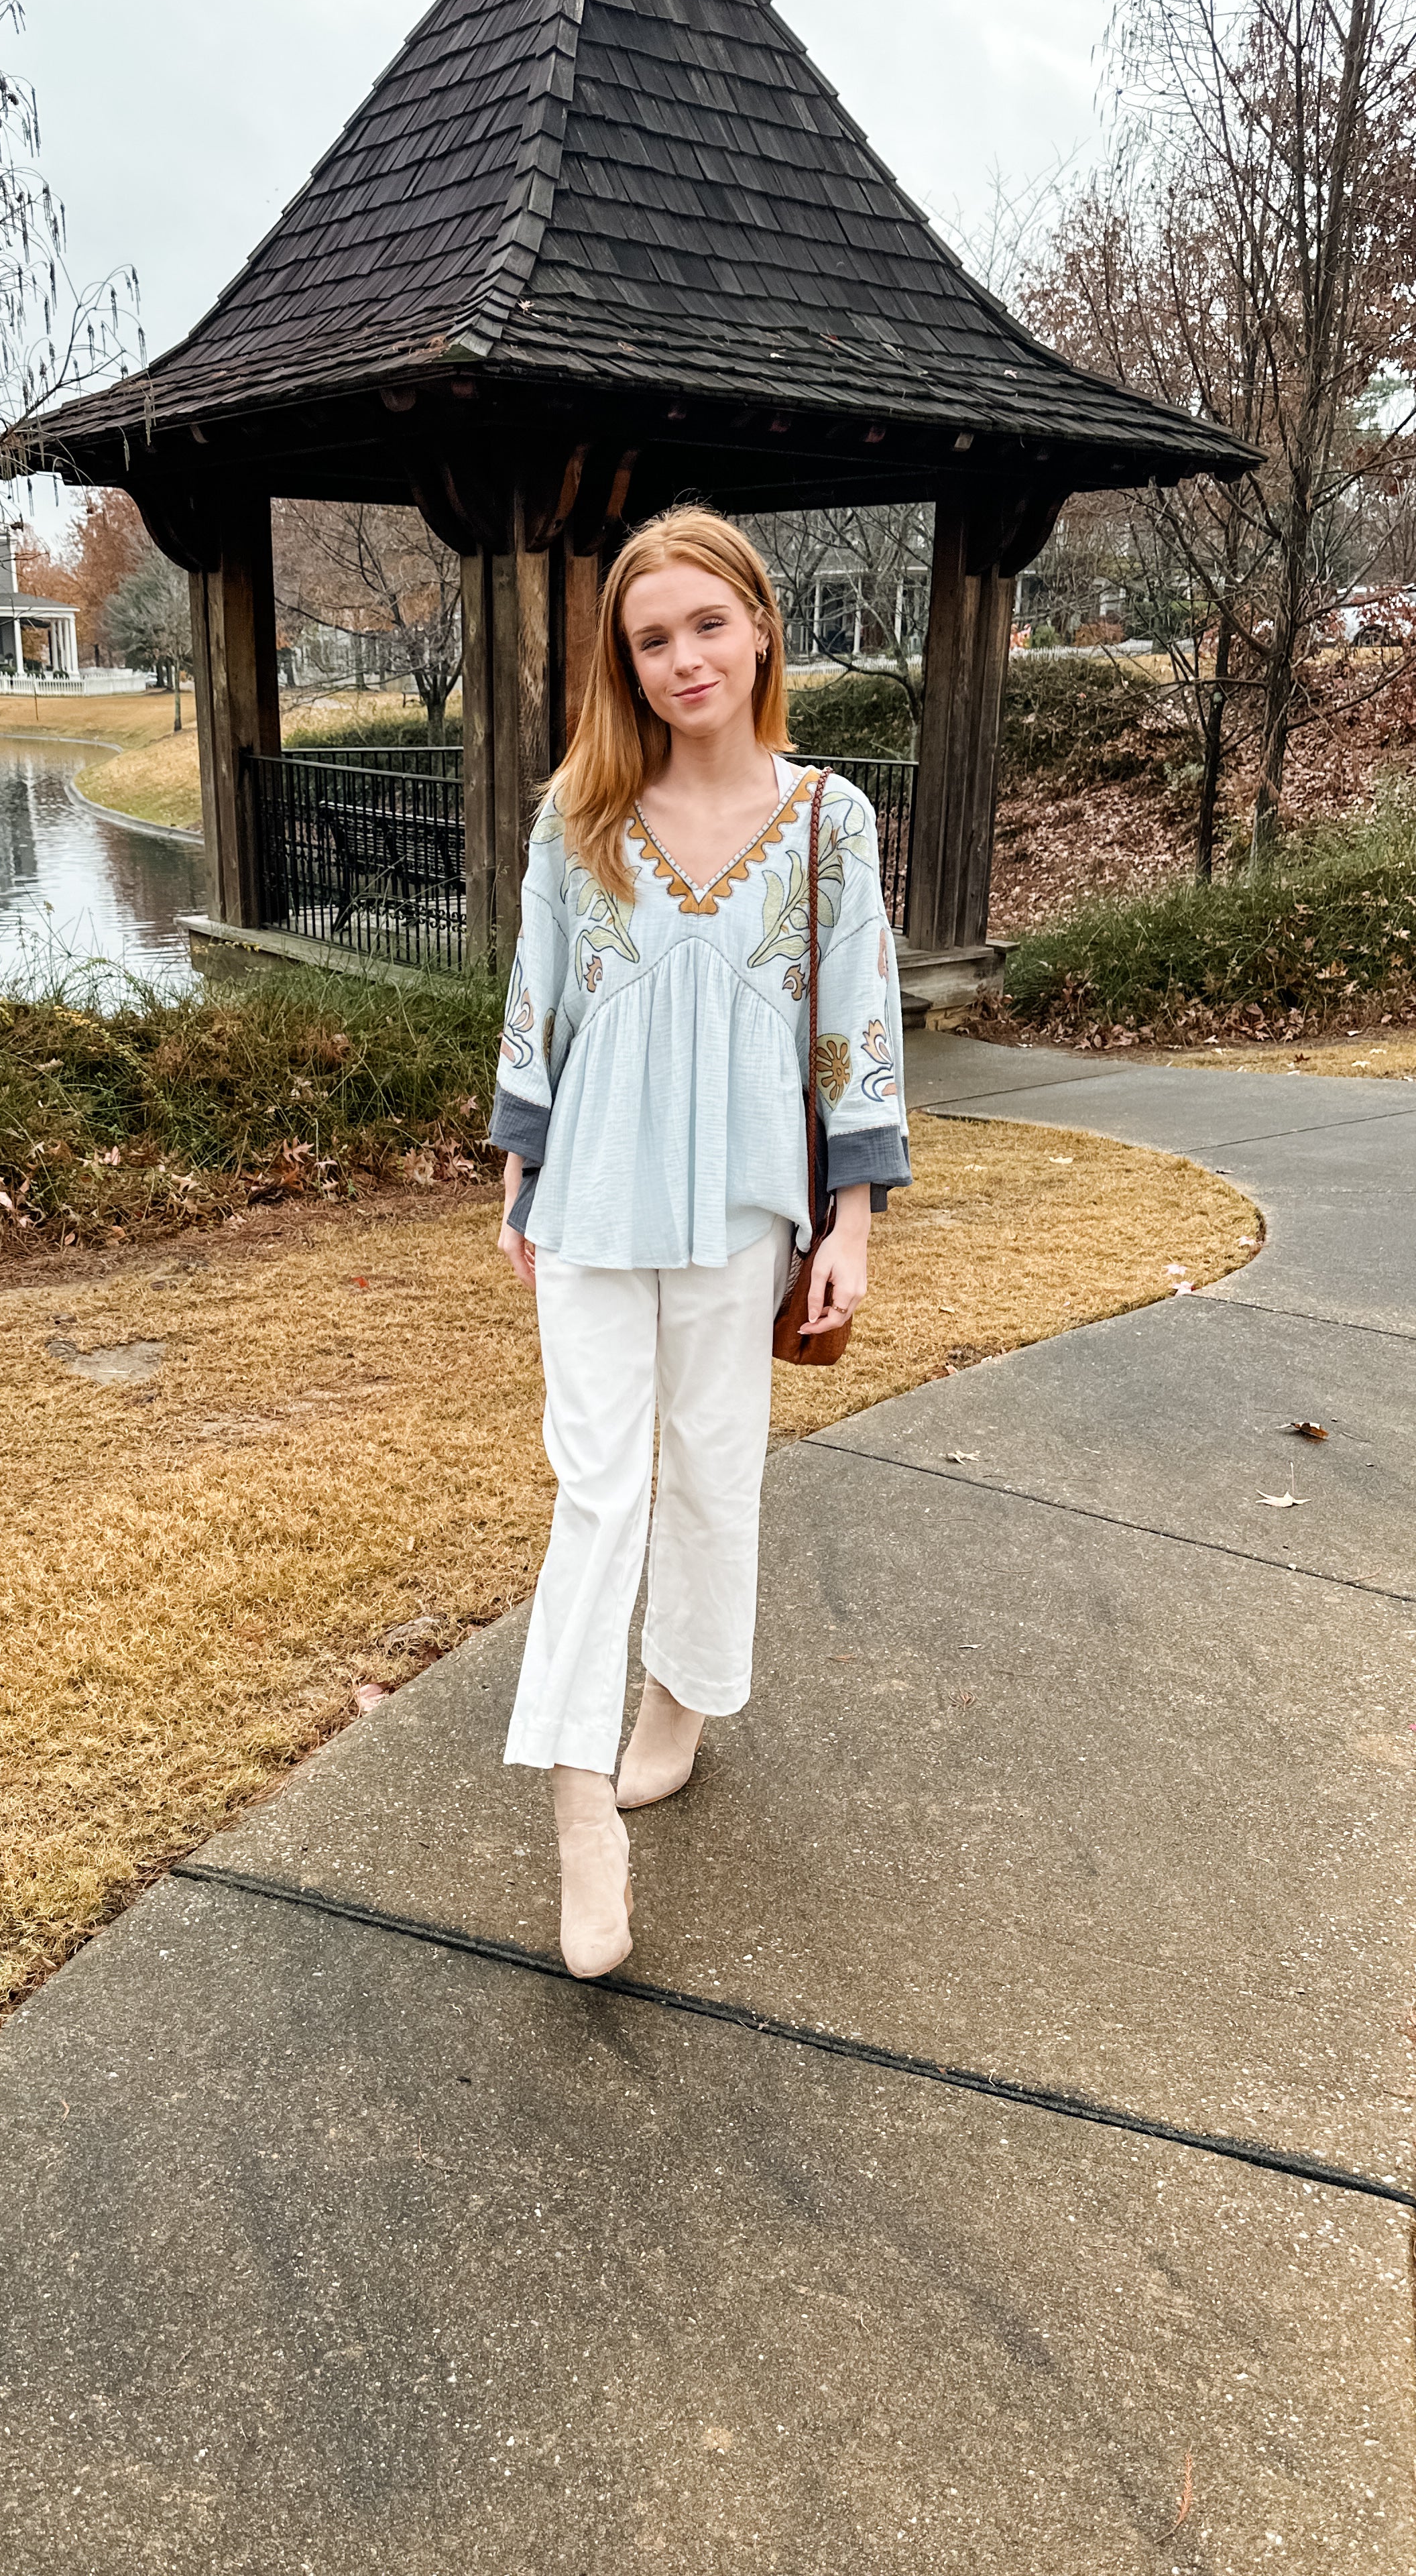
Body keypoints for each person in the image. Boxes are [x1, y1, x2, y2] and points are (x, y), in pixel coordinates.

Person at [489, 506, 910, 1977]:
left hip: (744, 1206)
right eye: (651, 638)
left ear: (760, 626)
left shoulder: (828, 823)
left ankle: (679, 1699)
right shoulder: (580, 817)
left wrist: (852, 1215)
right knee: (597, 1490)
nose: (683, 660)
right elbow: (540, 1003)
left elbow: (857, 1019)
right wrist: (519, 1175)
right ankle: (577, 1810)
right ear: (625, 660)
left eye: (705, 626)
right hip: (594, 1197)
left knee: (715, 1471)